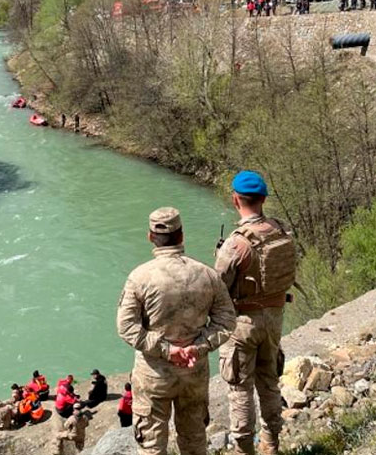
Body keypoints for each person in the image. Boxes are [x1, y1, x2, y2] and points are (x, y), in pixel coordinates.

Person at [116, 207, 237, 455]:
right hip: (194, 372)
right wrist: (199, 346)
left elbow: (126, 327)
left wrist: (167, 350)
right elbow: (226, 321)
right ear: (181, 235)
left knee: (152, 446)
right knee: (194, 441)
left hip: (153, 375)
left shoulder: (139, 277)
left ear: (150, 237)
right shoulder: (207, 275)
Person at [214, 171, 298, 455]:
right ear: (263, 199)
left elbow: (218, 287)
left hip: (242, 324)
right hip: (274, 319)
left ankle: (242, 449)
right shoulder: (283, 232)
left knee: (240, 390)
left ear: (235, 199)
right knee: (269, 382)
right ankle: (271, 444)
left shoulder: (235, 244)